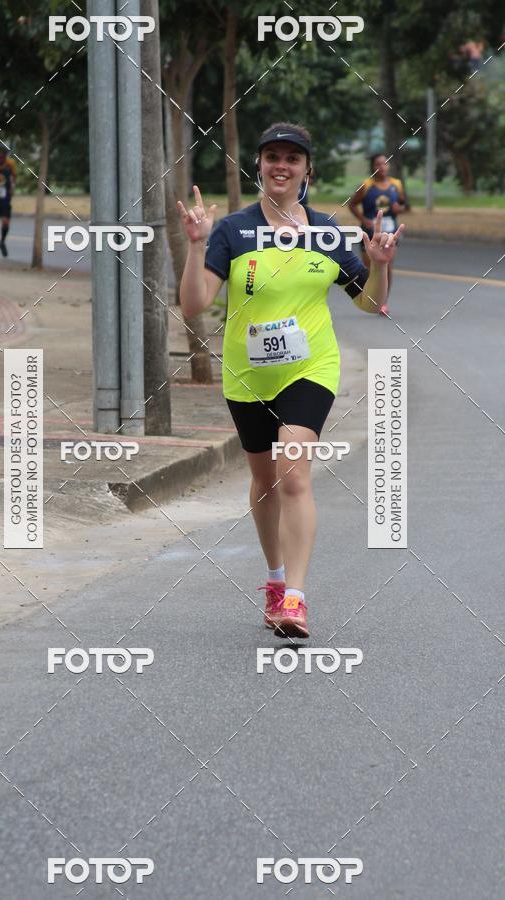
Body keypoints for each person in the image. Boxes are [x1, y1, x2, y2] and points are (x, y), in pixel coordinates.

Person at [177, 123, 404, 638]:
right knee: (263, 481)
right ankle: (276, 580)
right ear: (258, 165)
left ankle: (296, 600)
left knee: (293, 474)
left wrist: (380, 266)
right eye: (272, 156)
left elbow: (369, 303)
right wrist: (195, 246)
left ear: (307, 169)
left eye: (293, 159)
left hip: (310, 369)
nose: (282, 166)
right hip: (247, 374)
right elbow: (194, 305)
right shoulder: (233, 231)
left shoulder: (326, 233)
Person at [348, 152, 408, 315]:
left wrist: (399, 208)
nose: (382, 167)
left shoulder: (396, 184)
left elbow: (405, 205)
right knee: (368, 266)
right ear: (373, 167)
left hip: (390, 232)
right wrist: (364, 219)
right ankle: (370, 297)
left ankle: (383, 302)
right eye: (378, 164)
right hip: (369, 231)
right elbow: (352, 204)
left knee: (385, 265)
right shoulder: (366, 186)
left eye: (385, 163)